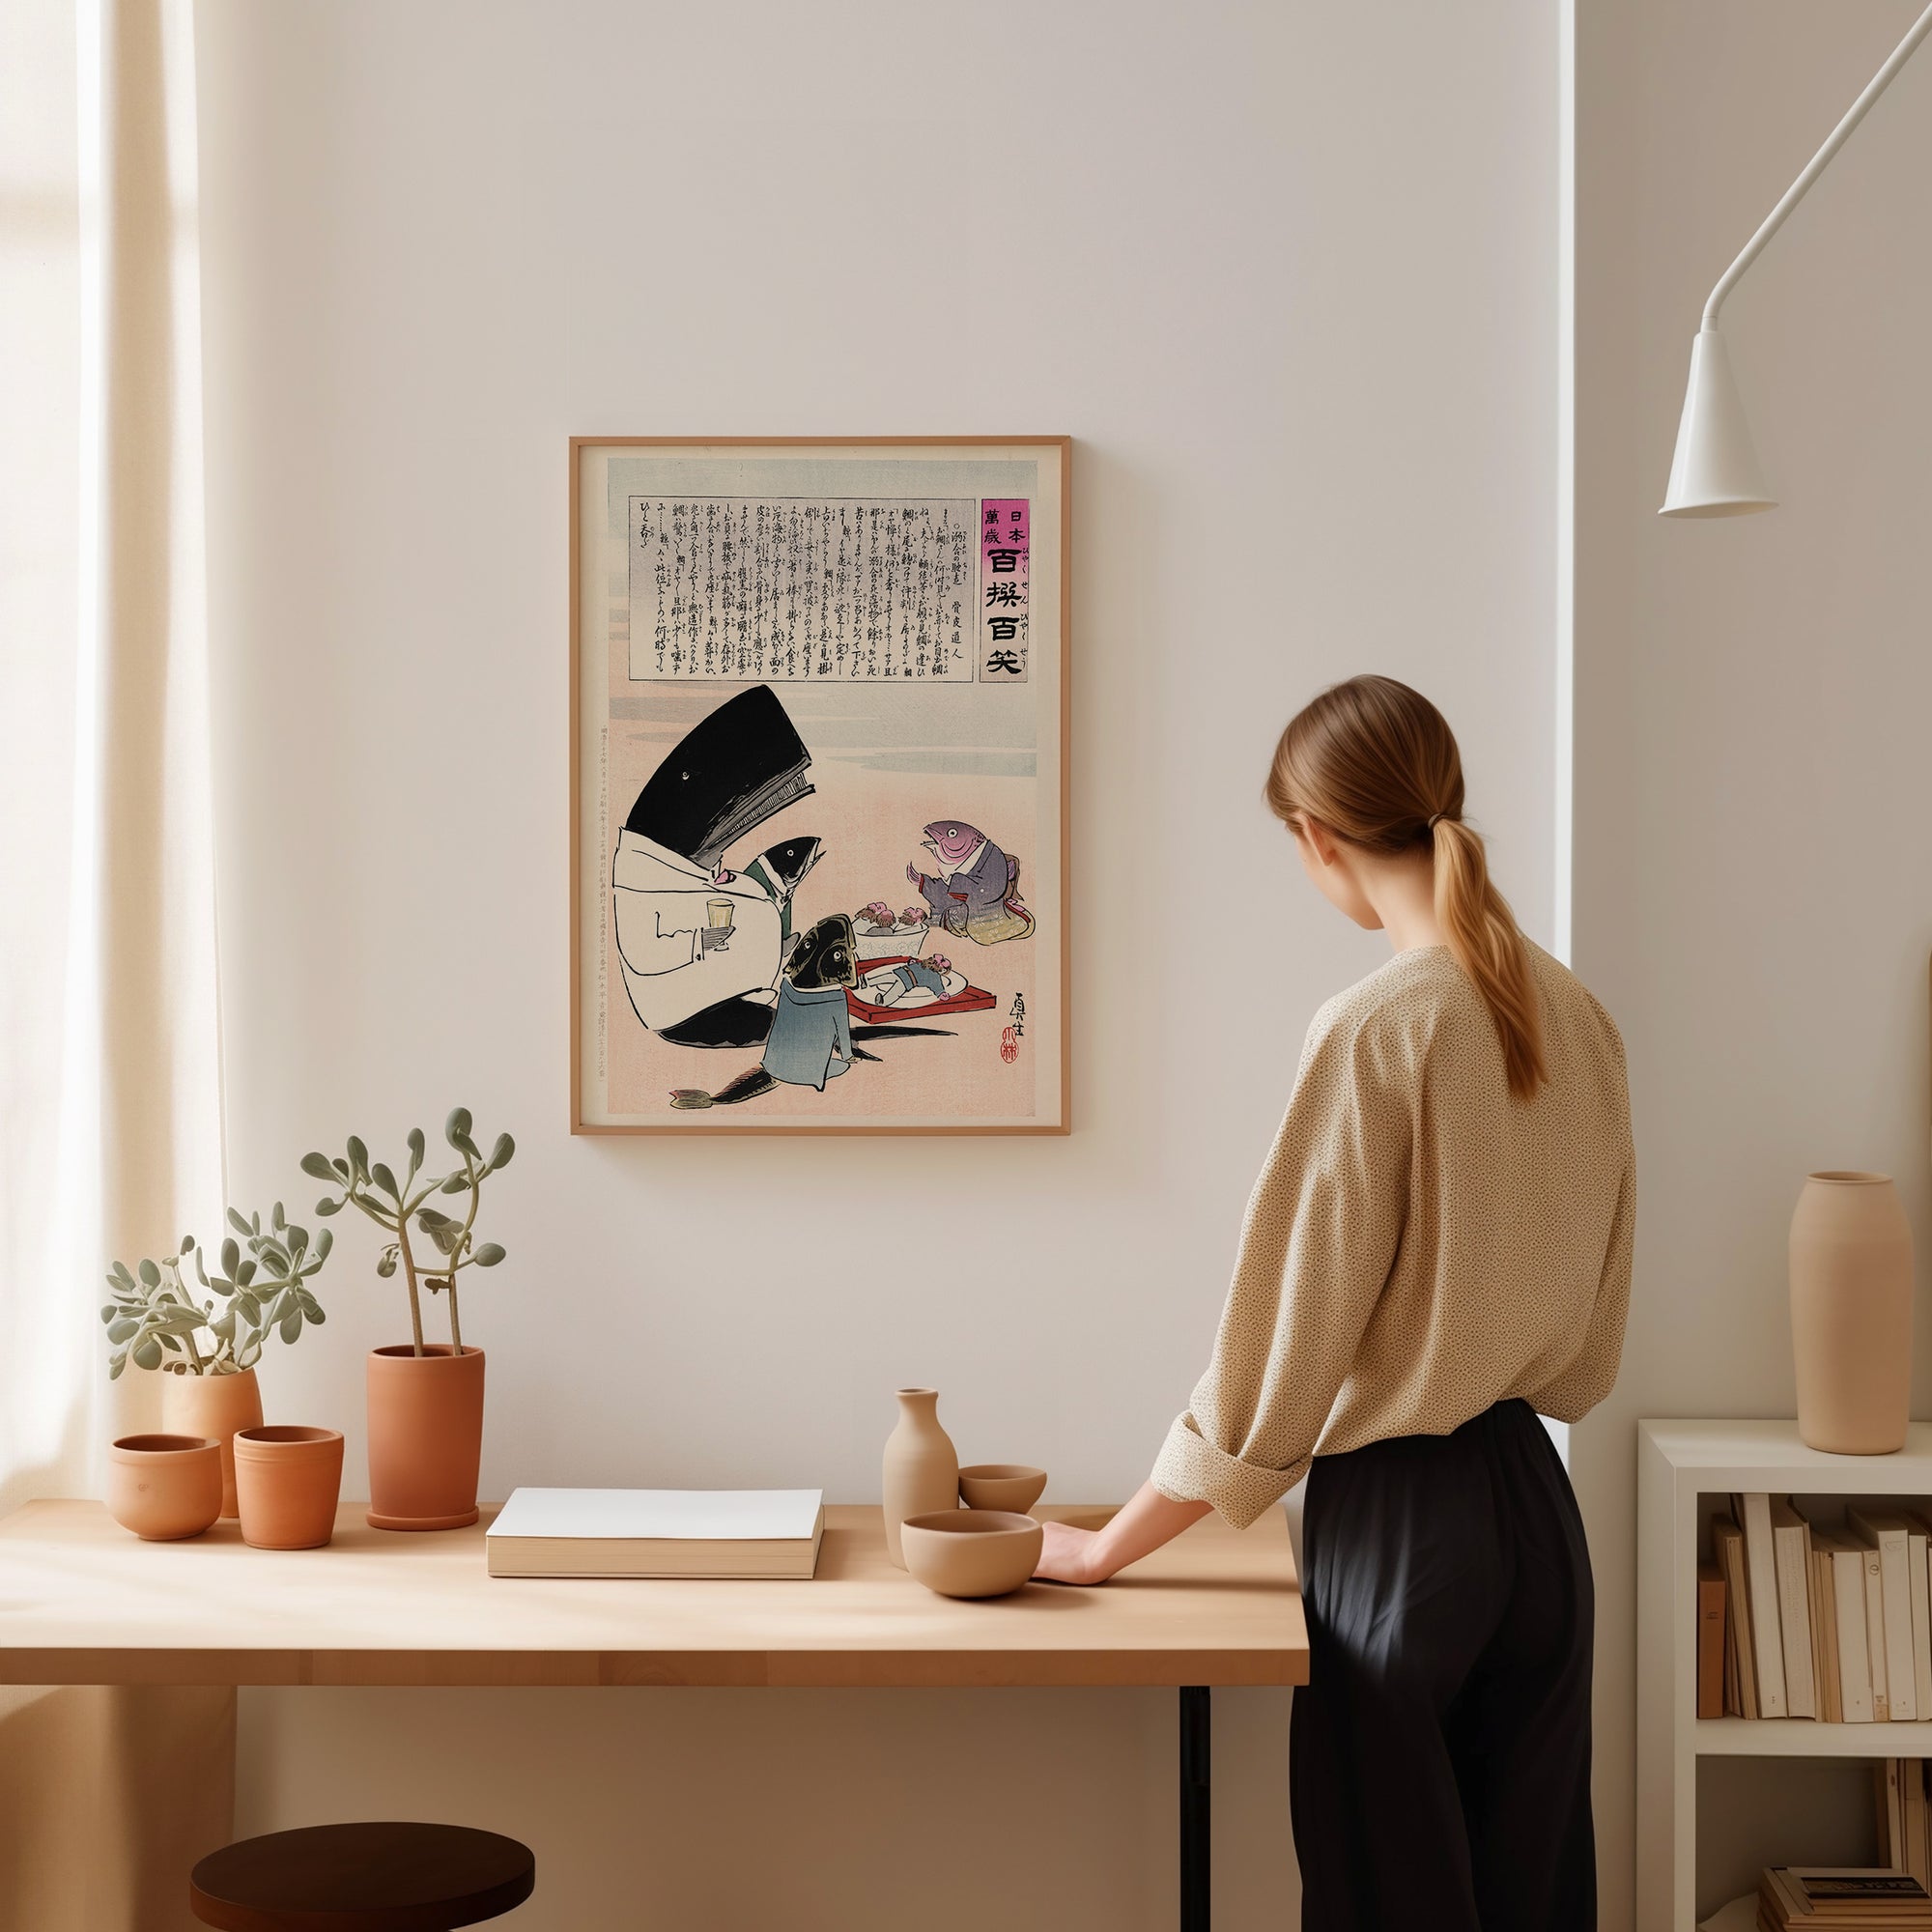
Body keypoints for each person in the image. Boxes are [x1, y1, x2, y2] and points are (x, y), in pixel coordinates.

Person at [1034, 675, 1634, 1932]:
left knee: (1389, 1904)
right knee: (1537, 1903)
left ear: (1316, 837)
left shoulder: (1375, 1028)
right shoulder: (1578, 1018)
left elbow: (1277, 1362)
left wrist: (1102, 1548)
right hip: (1538, 1514)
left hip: (1405, 1533)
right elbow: (1592, 1341)